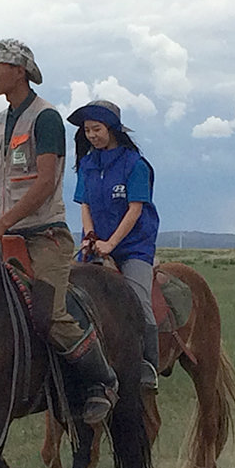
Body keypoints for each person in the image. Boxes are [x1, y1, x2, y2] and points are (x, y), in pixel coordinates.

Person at [0, 39, 118, 424]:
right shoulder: (0, 122)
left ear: (18, 71)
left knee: (50, 314)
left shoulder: (46, 118)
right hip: (4, 235)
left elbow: (44, 181)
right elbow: (1, 182)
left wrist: (0, 224)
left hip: (44, 237)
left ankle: (101, 382)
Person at [66, 100, 160, 392]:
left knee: (139, 300)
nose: (92, 135)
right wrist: (91, 236)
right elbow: (84, 204)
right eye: (87, 130)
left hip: (133, 246)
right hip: (94, 244)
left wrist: (112, 244)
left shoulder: (135, 165)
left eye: (97, 129)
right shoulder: (87, 164)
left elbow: (135, 209)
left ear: (112, 128)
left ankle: (148, 365)